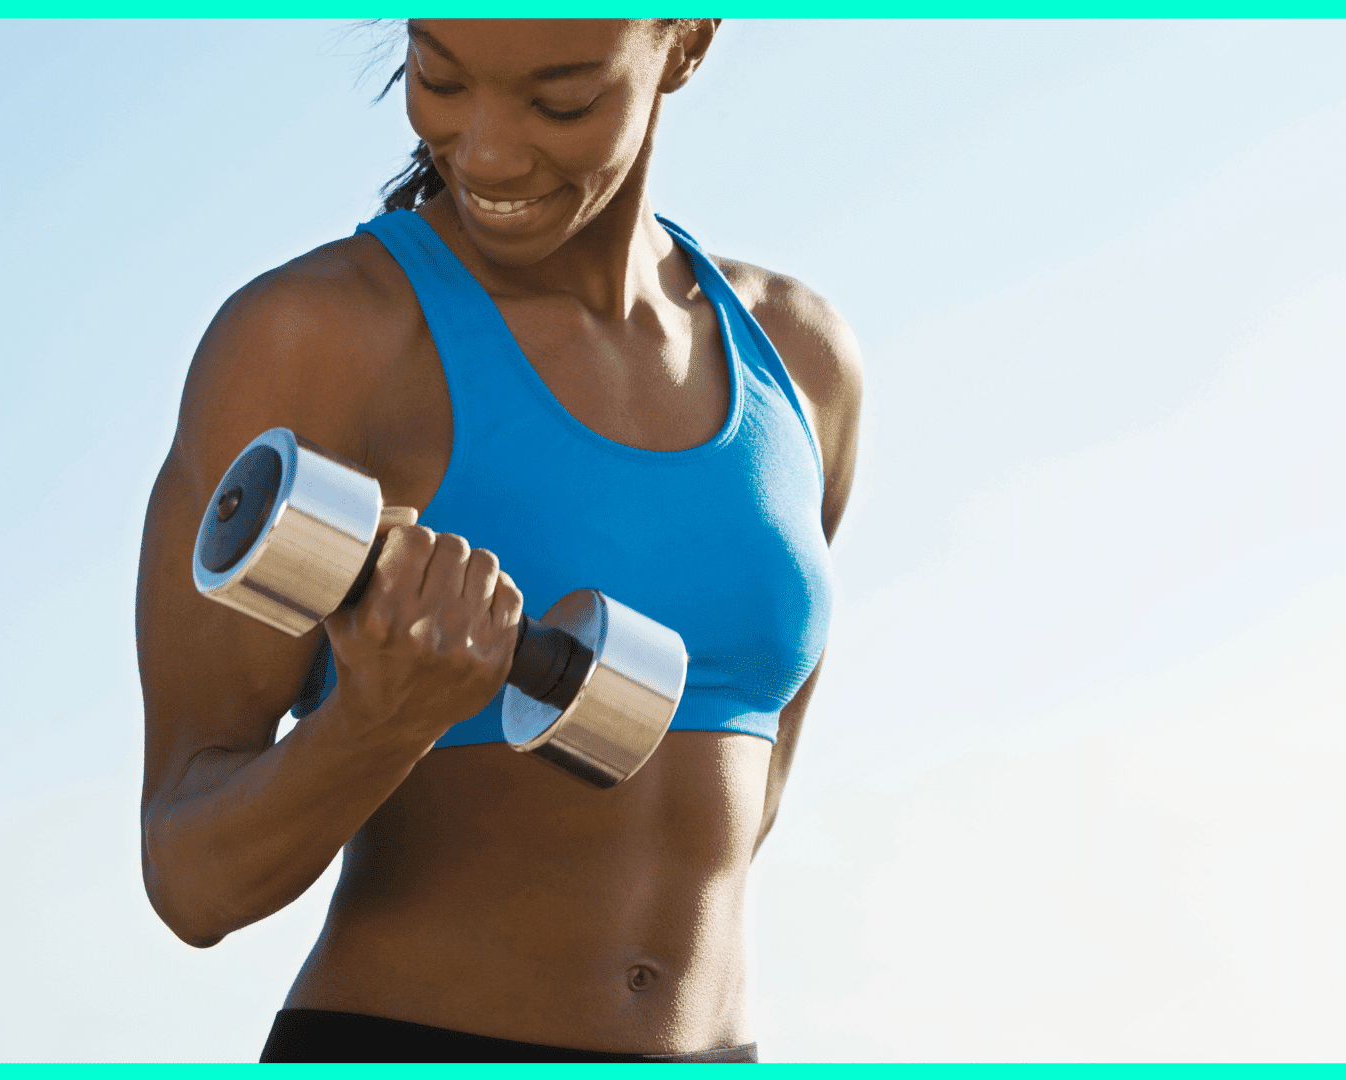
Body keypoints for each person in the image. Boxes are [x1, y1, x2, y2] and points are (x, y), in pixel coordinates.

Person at [135, 18, 862, 1062]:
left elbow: (751, 805)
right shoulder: (314, 342)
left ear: (688, 43)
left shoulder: (801, 360)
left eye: (559, 100)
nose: (482, 152)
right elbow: (191, 881)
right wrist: (377, 723)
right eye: (440, 78)